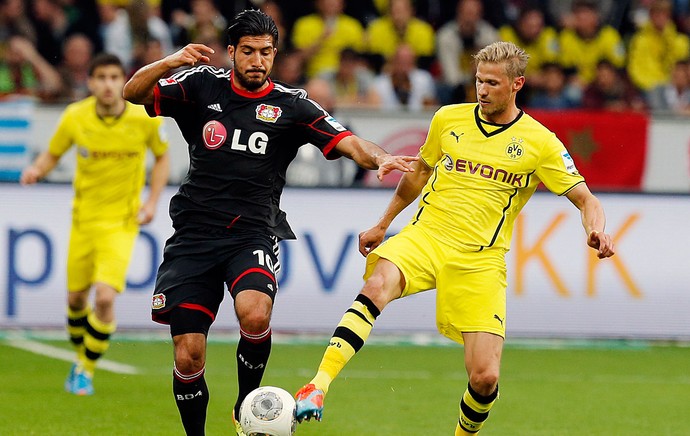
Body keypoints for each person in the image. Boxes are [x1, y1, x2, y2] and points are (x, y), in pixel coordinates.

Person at [294, 41, 616, 435]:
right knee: (377, 284)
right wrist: (383, 223)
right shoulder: (448, 119)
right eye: (479, 80)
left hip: (480, 260)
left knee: (484, 378)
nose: (482, 90)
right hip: (427, 237)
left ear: (517, 84)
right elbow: (418, 173)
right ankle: (318, 385)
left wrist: (596, 229)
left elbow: (586, 198)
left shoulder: (541, 142)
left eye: (492, 83)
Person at [122, 9, 416, 436]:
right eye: (248, 52)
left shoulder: (292, 105)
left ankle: (246, 406)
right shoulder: (201, 85)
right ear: (231, 53)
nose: (257, 61)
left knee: (255, 314)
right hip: (193, 236)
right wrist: (169, 62)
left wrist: (381, 157)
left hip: (252, 232)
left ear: (274, 54)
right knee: (189, 354)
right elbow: (133, 93)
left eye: (265, 52)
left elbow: (347, 140)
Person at [19, 53, 170, 395]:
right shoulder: (75, 116)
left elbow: (162, 157)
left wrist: (151, 202)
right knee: (75, 301)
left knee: (104, 298)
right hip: (83, 222)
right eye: (101, 77)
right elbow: (52, 153)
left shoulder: (143, 117)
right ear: (91, 82)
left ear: (123, 81)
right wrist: (36, 171)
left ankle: (84, 369)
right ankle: (81, 354)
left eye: (115, 77)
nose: (108, 84)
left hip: (121, 224)